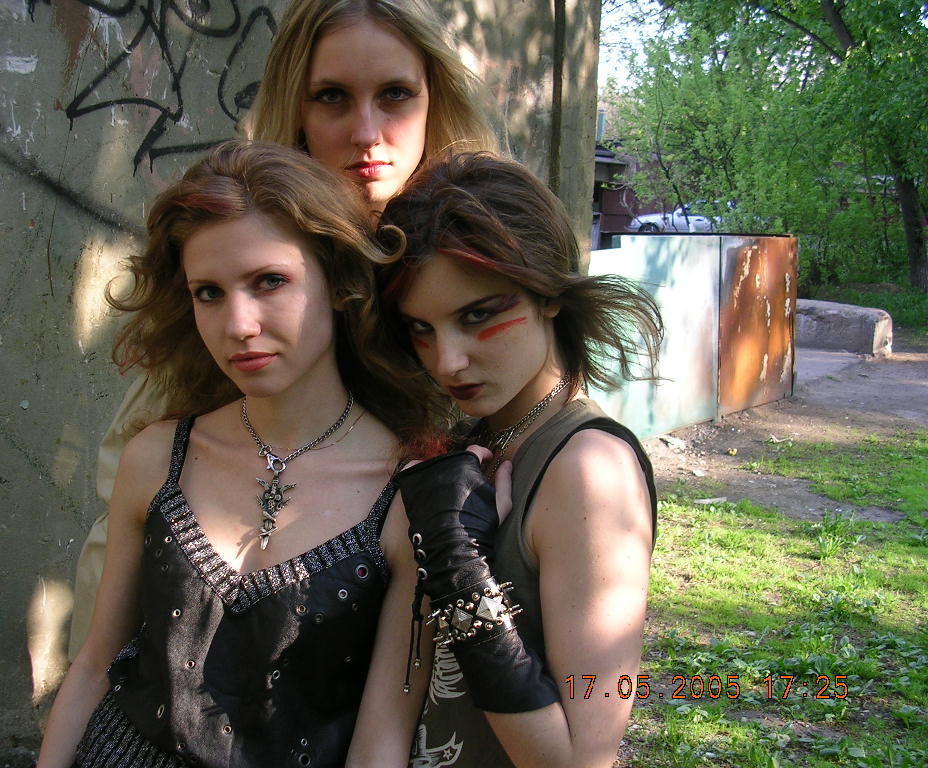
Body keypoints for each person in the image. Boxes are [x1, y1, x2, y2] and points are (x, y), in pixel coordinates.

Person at [69, 0, 496, 657]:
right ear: (295, 108)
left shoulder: (485, 257)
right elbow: (122, 558)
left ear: (434, 100)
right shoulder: (230, 264)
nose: (366, 132)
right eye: (331, 97)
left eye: (395, 94)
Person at [38, 141, 429, 768]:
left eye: (270, 281)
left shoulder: (409, 493)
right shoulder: (157, 457)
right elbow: (92, 666)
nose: (238, 324)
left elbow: (382, 741)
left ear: (339, 281)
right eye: (209, 293)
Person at [369, 152, 663, 768]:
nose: (447, 361)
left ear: (547, 293)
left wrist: (460, 573)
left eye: (478, 315)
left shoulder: (590, 470)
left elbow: (581, 760)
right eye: (421, 329)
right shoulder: (466, 441)